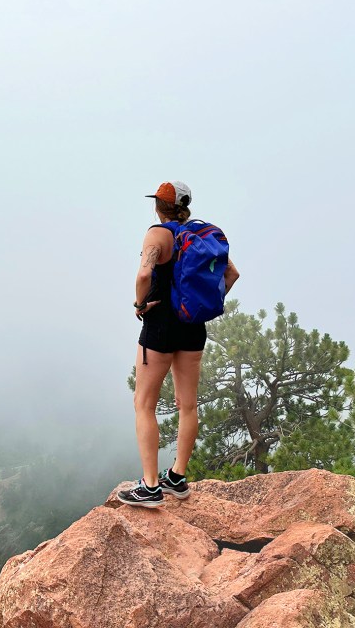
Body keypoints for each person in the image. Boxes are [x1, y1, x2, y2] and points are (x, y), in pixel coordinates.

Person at [117, 181, 239, 508]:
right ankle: (177, 478)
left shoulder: (157, 235)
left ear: (158, 205)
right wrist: (197, 305)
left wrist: (140, 304)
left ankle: (150, 486)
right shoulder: (200, 236)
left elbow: (144, 275)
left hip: (159, 329)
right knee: (188, 404)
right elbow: (231, 275)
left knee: (143, 403)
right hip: (192, 327)